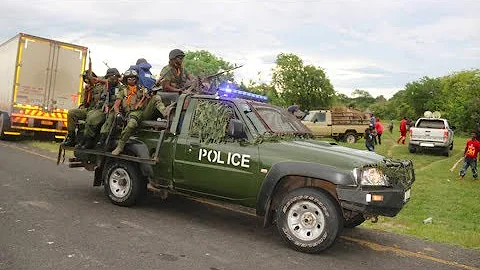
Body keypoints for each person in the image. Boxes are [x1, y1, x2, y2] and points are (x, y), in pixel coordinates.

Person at [111, 69, 149, 156]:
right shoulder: (122, 91)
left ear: (136, 79)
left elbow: (147, 101)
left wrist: (147, 96)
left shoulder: (141, 89)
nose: (131, 80)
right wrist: (118, 114)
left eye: (133, 78)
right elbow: (116, 105)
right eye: (129, 78)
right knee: (131, 124)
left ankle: (166, 113)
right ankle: (120, 146)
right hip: (132, 113)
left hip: (143, 112)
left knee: (157, 98)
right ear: (126, 80)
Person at [64, 71, 104, 147]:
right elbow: (85, 103)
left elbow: (99, 100)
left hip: (96, 110)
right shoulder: (88, 88)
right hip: (88, 109)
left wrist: (93, 89)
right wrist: (86, 92)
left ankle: (86, 140)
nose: (87, 82)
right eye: (85, 81)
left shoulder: (100, 87)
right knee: (71, 113)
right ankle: (71, 138)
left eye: (88, 80)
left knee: (90, 117)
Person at [96, 68, 123, 148]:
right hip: (104, 107)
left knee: (110, 118)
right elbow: (101, 99)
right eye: (110, 78)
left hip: (116, 108)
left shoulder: (121, 88)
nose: (113, 80)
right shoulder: (105, 87)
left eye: (115, 78)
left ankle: (102, 139)